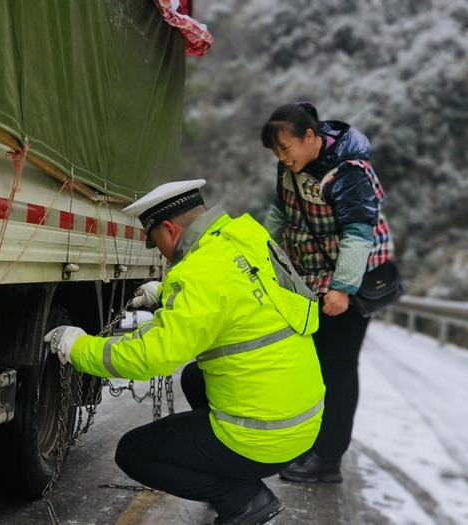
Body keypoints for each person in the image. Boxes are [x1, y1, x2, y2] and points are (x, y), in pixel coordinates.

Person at [44, 179, 325, 525]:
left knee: (134, 453)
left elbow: (152, 357)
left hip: (264, 436)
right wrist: (165, 295)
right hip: (304, 425)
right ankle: (232, 476)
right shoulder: (245, 239)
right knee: (195, 377)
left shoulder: (198, 272)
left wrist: (78, 347)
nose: (158, 251)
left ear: (168, 229)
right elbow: (231, 300)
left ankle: (242, 498)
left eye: (155, 242)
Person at [260, 102, 395, 483]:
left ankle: (328, 459)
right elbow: (280, 214)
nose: (282, 158)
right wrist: (258, 252)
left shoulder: (350, 173)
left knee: (337, 367)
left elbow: (358, 234)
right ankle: (311, 446)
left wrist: (342, 289)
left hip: (353, 277)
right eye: (275, 152)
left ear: (310, 137)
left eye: (286, 149)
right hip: (315, 275)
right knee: (316, 365)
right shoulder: (291, 168)